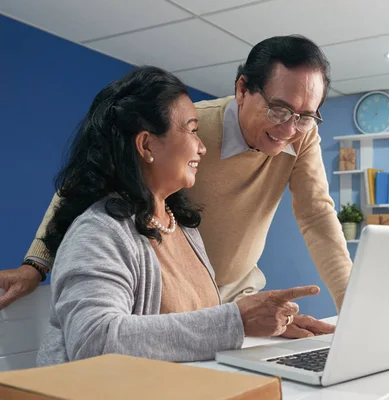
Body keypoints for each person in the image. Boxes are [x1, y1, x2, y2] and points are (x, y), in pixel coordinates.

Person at [1, 35, 352, 337]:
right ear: (243, 89)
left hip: (229, 299)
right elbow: (84, 179)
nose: (290, 128)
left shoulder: (302, 137)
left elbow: (317, 217)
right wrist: (37, 264)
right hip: (168, 303)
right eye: (279, 110)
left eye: (306, 116)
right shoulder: (185, 130)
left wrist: (353, 310)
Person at [36, 65, 329, 366]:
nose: (202, 147)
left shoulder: (182, 228)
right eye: (191, 131)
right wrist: (237, 321)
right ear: (147, 144)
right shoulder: (98, 233)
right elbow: (95, 341)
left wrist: (263, 323)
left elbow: (195, 326)